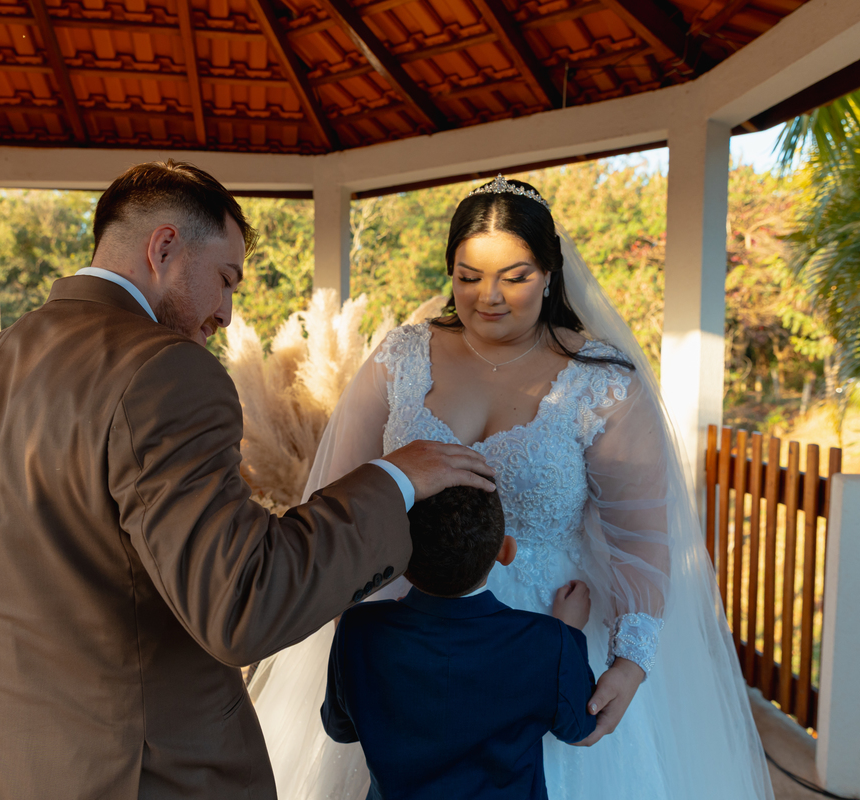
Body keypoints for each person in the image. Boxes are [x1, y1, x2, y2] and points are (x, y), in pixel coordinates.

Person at [0, 160, 495, 800]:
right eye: (225, 280)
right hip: (146, 776)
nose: (225, 313)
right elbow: (244, 603)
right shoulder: (163, 371)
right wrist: (393, 481)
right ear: (164, 247)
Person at [250, 175, 775, 800]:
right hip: (405, 633)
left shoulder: (600, 382)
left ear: (550, 272)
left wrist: (630, 664)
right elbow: (341, 496)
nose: (488, 297)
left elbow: (640, 534)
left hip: (547, 632)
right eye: (468, 276)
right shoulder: (403, 356)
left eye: (514, 276)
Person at [321, 486, 597, 800]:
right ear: (506, 552)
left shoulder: (358, 627)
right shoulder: (548, 641)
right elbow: (580, 726)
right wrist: (570, 632)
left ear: (399, 556)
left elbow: (339, 727)